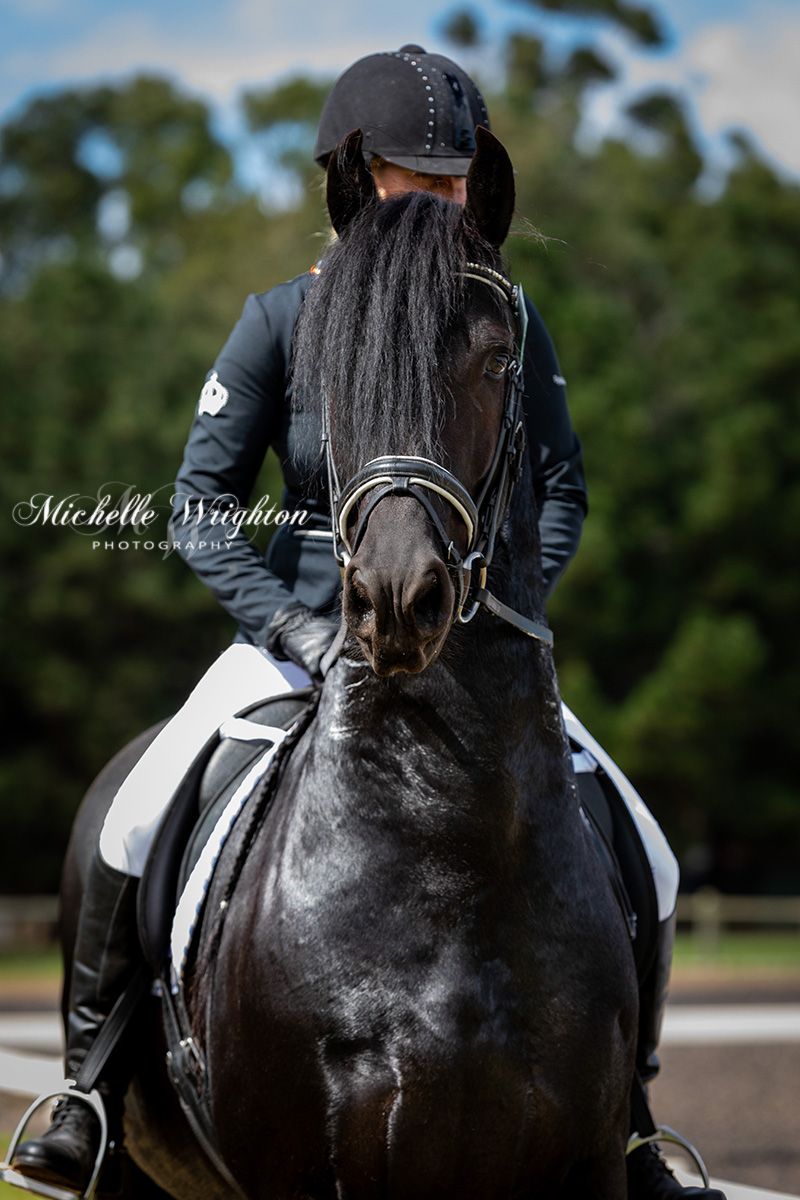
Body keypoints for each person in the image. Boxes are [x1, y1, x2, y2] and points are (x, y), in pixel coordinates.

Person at [9, 45, 722, 1200]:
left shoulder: (505, 316)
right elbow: (198, 505)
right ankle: (87, 1094)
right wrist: (291, 633)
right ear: (354, 179)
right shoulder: (284, 316)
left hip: (474, 633)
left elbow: (561, 488)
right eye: (407, 177)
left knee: (641, 841)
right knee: (134, 814)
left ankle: (630, 1119)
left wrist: (504, 605)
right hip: (297, 627)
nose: (433, 201)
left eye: (450, 183)